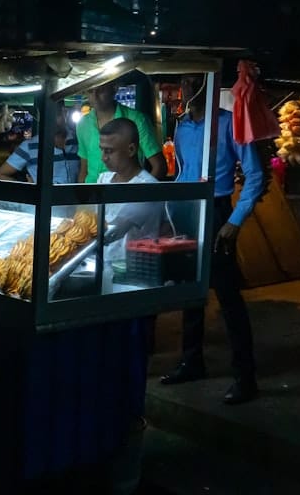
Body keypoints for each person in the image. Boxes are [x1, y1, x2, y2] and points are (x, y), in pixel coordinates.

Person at [159, 75, 264, 405]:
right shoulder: (182, 127)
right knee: (191, 293)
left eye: (193, 80)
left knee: (229, 296)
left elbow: (256, 176)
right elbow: (181, 172)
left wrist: (234, 221)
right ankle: (192, 361)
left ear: (207, 83)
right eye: (184, 81)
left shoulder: (229, 124)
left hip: (217, 210)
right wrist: (171, 211)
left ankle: (245, 377)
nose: (185, 87)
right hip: (187, 211)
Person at [95, 118, 164, 288]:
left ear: (131, 149)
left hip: (133, 276)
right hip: (104, 269)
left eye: (109, 151)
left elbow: (115, 230)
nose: (103, 158)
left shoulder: (146, 187)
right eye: (102, 150)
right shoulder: (103, 179)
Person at [77, 82, 166, 183]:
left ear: (114, 89)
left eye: (101, 90)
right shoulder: (82, 124)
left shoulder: (137, 120)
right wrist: (81, 196)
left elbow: (159, 165)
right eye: (90, 91)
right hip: (92, 194)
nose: (95, 96)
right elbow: (84, 169)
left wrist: (139, 193)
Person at [0, 106, 79, 184]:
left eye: (56, 115)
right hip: (45, 201)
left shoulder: (78, 140)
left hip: (77, 201)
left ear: (65, 112)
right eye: (46, 116)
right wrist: (28, 187)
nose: (51, 120)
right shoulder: (29, 146)